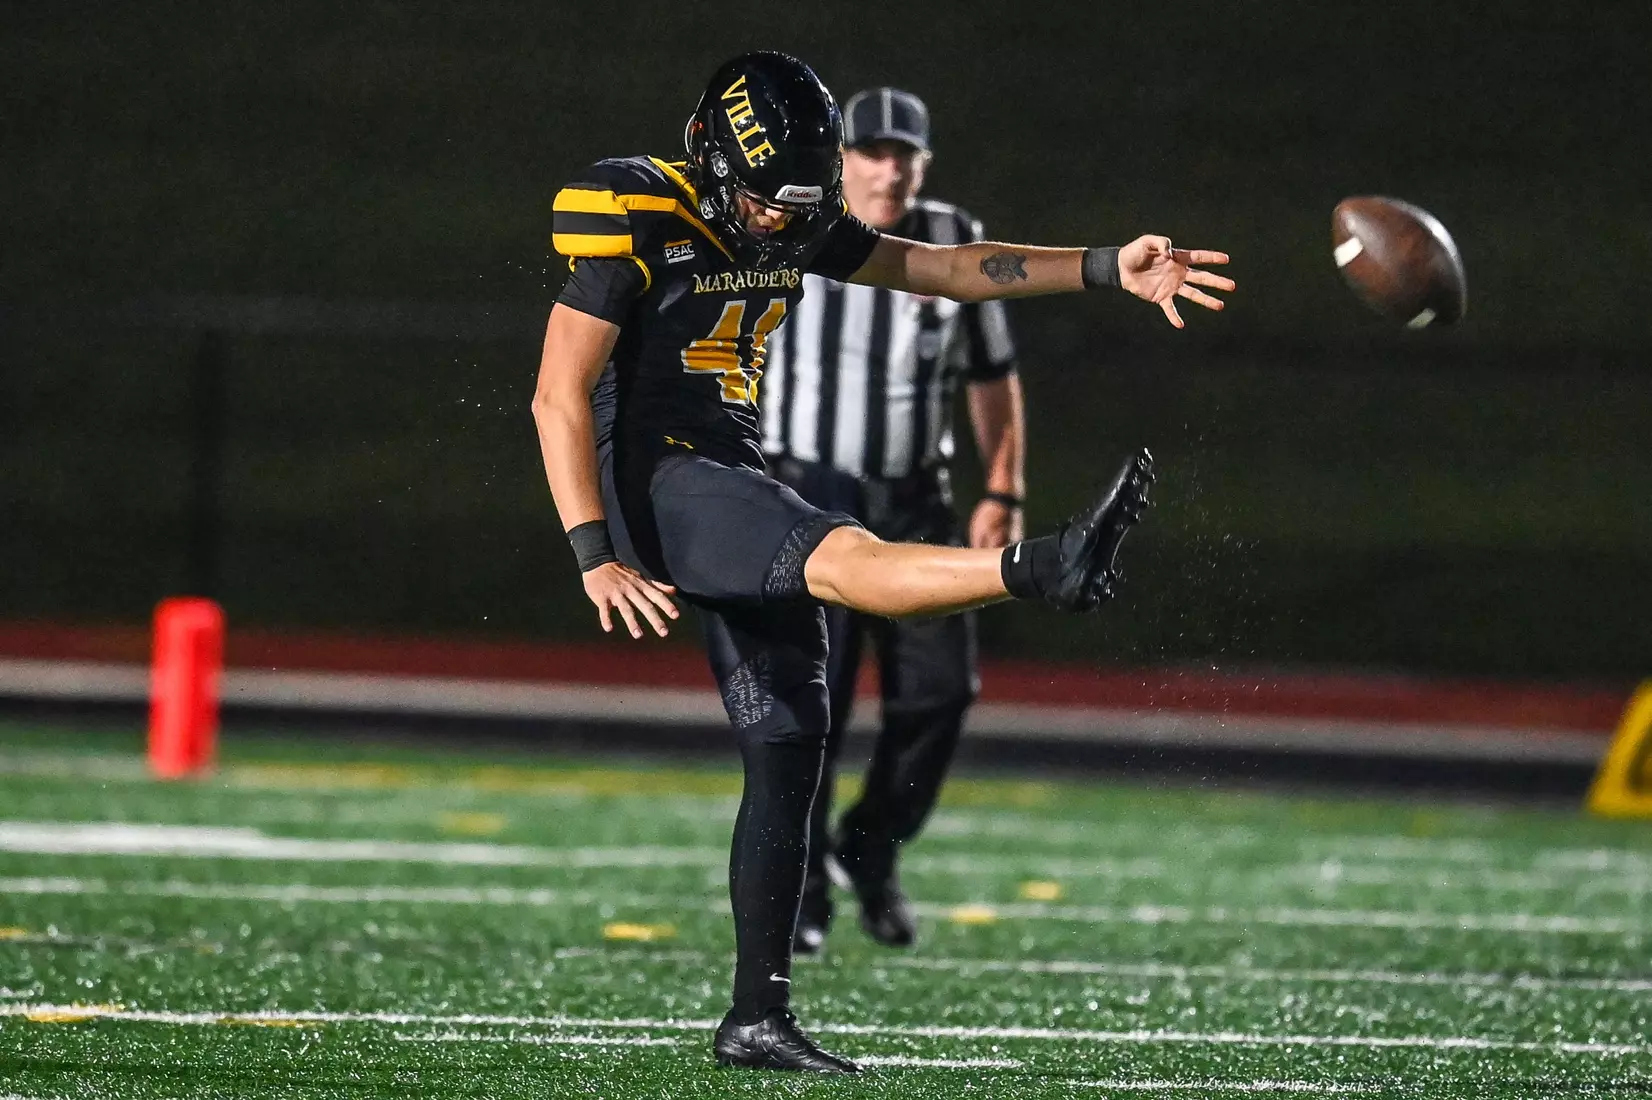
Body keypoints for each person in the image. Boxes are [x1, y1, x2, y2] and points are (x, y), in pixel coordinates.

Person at [532, 51, 1231, 1074]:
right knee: (842, 555)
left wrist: (1101, 263)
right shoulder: (635, 214)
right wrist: (592, 550)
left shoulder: (799, 215)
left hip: (726, 467)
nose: (784, 221)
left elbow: (945, 268)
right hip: (655, 477)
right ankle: (1040, 568)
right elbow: (557, 394)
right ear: (713, 161)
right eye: (769, 201)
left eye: (798, 205)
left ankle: (754, 1016)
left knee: (788, 735)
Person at [759, 86, 1028, 956]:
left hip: (916, 498)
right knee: (810, 705)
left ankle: (869, 852)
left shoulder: (952, 234)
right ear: (839, 160)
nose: (890, 169)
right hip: (806, 495)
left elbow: (993, 374)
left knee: (943, 688)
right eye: (871, 151)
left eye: (905, 153)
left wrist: (1004, 487)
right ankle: (799, 893)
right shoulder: (791, 227)